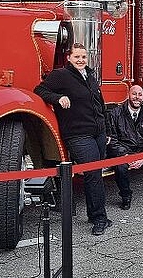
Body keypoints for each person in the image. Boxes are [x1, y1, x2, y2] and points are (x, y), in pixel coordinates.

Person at [33, 43, 112, 236]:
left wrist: (107, 130)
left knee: (96, 174)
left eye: (83, 57)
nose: (80, 60)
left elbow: (100, 105)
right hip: (78, 135)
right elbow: (39, 90)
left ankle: (97, 215)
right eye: (77, 57)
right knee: (92, 173)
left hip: (98, 133)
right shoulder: (61, 75)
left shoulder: (90, 75)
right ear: (69, 58)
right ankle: (99, 218)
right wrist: (58, 98)